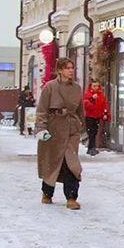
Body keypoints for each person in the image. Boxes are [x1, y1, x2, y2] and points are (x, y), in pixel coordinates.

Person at [36, 58, 85, 210]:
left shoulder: (77, 88)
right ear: (59, 70)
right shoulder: (49, 87)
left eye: (72, 67)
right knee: (52, 161)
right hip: (54, 128)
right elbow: (42, 110)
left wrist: (81, 127)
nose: (71, 70)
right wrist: (41, 128)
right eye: (67, 68)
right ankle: (47, 192)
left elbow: (80, 111)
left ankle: (71, 196)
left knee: (72, 163)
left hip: (71, 129)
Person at [82, 83, 110, 155]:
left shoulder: (101, 95)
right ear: (91, 87)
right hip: (89, 116)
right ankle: (91, 148)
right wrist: (92, 99)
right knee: (91, 132)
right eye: (94, 86)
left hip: (97, 116)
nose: (96, 88)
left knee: (94, 132)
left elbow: (104, 105)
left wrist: (105, 114)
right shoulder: (88, 95)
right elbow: (86, 105)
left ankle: (92, 147)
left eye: (97, 86)